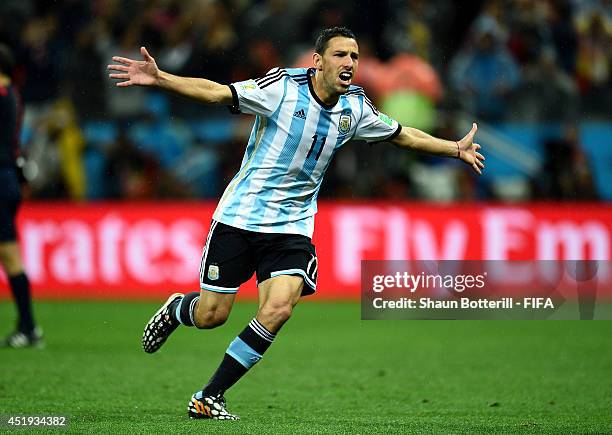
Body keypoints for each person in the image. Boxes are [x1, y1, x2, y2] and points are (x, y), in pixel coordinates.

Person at [108, 26, 484, 420]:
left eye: (354, 57)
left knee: (279, 309)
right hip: (240, 217)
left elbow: (401, 135)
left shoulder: (355, 108)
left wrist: (454, 149)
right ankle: (177, 310)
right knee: (211, 315)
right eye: (340, 55)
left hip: (292, 226)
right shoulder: (283, 87)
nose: (349, 63)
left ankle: (209, 396)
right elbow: (220, 92)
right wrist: (161, 78)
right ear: (318, 61)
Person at [0, 44, 43, 348]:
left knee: (10, 255)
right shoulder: (11, 94)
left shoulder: (2, 94)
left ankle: (28, 327)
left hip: (0, 179)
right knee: (9, 253)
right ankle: (27, 326)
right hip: (8, 178)